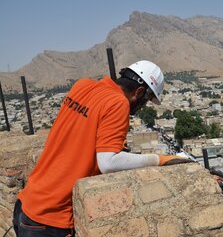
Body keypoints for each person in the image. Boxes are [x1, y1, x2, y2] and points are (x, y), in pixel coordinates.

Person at [12, 60, 191, 237]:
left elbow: (80, 127)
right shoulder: (118, 103)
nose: (143, 107)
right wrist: (159, 160)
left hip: (27, 201)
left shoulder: (83, 86)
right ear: (139, 91)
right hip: (49, 218)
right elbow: (108, 163)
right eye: (147, 101)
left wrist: (107, 141)